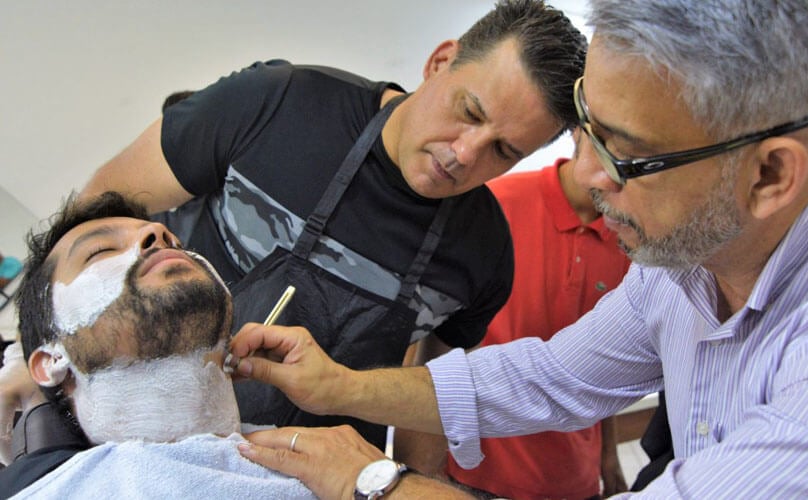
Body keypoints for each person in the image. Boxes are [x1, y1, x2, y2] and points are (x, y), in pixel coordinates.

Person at [221, 0, 808, 497]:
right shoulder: (685, 259)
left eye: (629, 157)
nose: (589, 178)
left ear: (771, 176)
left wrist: (375, 482)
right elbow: (553, 377)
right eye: (589, 130)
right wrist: (339, 387)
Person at [1, 0, 581, 455]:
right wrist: (32, 358)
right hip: (151, 440)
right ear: (439, 62)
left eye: (504, 149)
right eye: (469, 111)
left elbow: (425, 394)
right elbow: (97, 216)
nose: (463, 153)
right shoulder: (275, 104)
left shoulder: (484, 256)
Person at [0, 191, 315, 498]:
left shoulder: (325, 463)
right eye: (101, 250)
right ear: (51, 361)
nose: (160, 233)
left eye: (176, 243)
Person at [399, 132, 630, 498]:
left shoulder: (633, 238)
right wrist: (419, 470)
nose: (619, 159)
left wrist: (608, 458)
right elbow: (427, 345)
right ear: (577, 128)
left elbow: (610, 369)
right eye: (607, 138)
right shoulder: (495, 207)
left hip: (573, 480)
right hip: (471, 474)